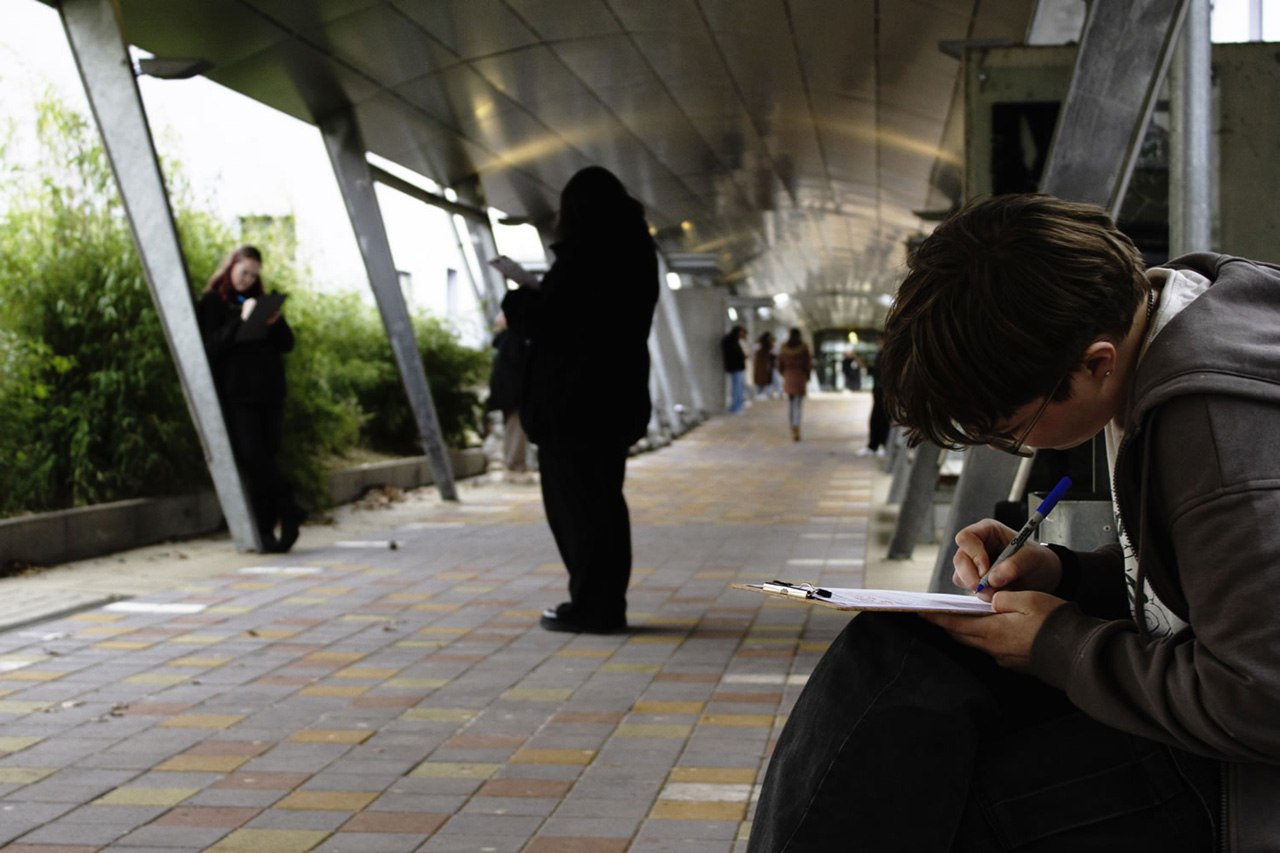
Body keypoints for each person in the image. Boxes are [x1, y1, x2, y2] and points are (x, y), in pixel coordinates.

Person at [748, 194, 1280, 851]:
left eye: (1013, 430)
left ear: (1095, 361)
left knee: (952, 810)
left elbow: (1261, 699)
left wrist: (1057, 642)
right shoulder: (1173, 318)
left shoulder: (1216, 433)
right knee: (890, 651)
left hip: (1242, 775)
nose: (1019, 449)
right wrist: (1062, 573)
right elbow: (1217, 582)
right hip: (1197, 710)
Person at [501, 166, 657, 635]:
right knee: (604, 504)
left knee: (577, 511)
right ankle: (605, 603)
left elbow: (556, 322)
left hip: (573, 408)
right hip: (612, 405)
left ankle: (592, 606)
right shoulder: (634, 253)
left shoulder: (587, 258)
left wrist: (518, 301)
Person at [196, 245, 305, 553]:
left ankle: (267, 532)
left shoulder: (258, 299)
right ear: (230, 266)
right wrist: (241, 321)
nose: (247, 280)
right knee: (252, 458)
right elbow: (212, 346)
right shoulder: (212, 302)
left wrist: (274, 321)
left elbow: (287, 344)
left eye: (253, 275)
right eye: (243, 272)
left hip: (270, 392)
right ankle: (289, 505)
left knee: (265, 460)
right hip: (238, 394)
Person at [486, 312, 530, 483]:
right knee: (517, 427)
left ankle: (512, 463)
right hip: (515, 394)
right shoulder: (515, 340)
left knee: (512, 427)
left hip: (505, 394)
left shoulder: (503, 340)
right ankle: (514, 466)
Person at [775, 328, 811, 442]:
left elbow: (779, 364)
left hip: (789, 377)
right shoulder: (804, 349)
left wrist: (784, 374)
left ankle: (792, 426)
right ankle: (796, 426)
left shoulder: (784, 349)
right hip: (800, 377)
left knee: (791, 404)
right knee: (798, 404)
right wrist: (807, 376)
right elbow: (808, 364)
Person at [856, 348, 889, 456]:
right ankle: (874, 445)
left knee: (884, 418)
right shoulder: (881, 353)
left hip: (886, 389)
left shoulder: (887, 352)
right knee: (876, 418)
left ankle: (882, 444)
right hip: (879, 389)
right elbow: (877, 371)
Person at [721, 325, 748, 413]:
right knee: (737, 388)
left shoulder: (735, 341)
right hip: (735, 368)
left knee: (739, 388)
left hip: (738, 368)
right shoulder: (730, 341)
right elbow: (733, 355)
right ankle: (735, 407)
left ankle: (737, 406)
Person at [752, 331, 775, 398]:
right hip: (763, 365)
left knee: (763, 379)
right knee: (762, 379)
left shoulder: (761, 346)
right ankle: (760, 393)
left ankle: (762, 392)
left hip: (763, 364)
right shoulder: (761, 347)